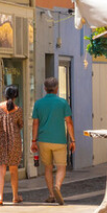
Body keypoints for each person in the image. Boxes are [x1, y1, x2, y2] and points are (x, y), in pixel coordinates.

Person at [30, 76, 74, 205]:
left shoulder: (38, 103)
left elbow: (35, 124)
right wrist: (73, 139)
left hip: (43, 140)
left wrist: (33, 141)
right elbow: (69, 122)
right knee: (61, 166)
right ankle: (58, 187)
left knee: (48, 167)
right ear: (56, 88)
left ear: (45, 89)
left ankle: (50, 194)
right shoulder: (62, 102)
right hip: (59, 140)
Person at [0, 85, 23, 206]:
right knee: (13, 169)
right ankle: (15, 196)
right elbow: (20, 124)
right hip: (14, 141)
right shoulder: (18, 109)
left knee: (0, 170)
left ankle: (0, 197)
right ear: (16, 96)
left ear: (4, 95)